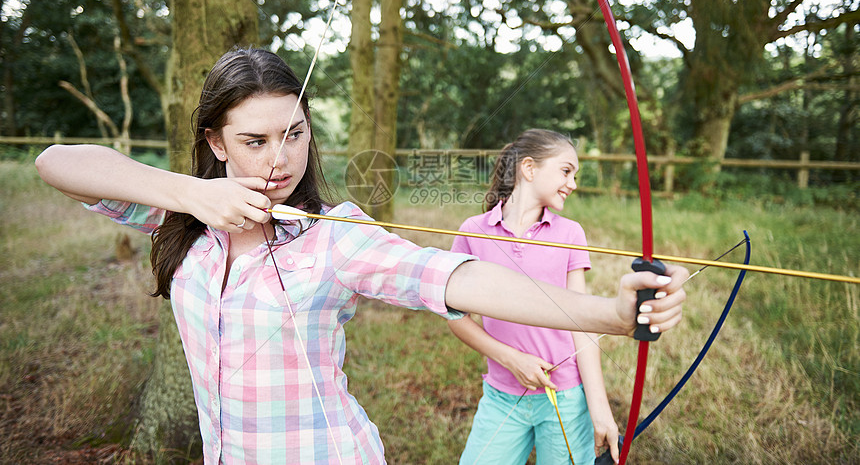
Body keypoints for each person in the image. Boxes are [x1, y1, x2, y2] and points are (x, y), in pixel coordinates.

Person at [35, 48, 687, 465]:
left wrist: (611, 313)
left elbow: (451, 277)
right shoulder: (184, 217)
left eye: (293, 134)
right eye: (254, 140)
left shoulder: (336, 236)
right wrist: (186, 191)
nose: (278, 159)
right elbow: (56, 163)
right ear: (216, 141)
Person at [450, 129, 620, 465]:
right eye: (566, 171)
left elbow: (581, 322)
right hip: (501, 397)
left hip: (565, 399)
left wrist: (599, 408)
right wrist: (512, 360)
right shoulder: (474, 231)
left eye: (575, 175)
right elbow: (455, 317)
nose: (572, 183)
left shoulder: (570, 234)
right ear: (529, 169)